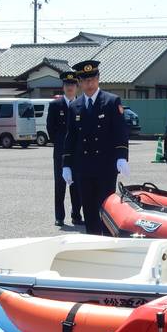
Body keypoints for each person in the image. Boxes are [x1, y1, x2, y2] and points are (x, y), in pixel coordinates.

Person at [62, 60, 130, 235]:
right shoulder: (74, 106)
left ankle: (108, 242)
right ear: (79, 83)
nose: (89, 84)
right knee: (89, 209)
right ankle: (93, 241)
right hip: (83, 167)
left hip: (105, 166)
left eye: (92, 79)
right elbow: (71, 137)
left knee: (107, 208)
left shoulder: (111, 102)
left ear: (98, 79)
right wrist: (66, 164)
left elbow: (120, 132)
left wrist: (122, 156)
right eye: (85, 80)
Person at [47, 71, 83, 227]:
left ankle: (76, 215)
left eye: (73, 85)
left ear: (77, 87)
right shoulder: (55, 105)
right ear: (63, 87)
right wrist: (60, 143)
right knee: (60, 185)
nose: (70, 88)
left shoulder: (81, 104)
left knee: (77, 185)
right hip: (60, 153)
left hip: (77, 153)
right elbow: (50, 128)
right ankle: (59, 216)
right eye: (67, 85)